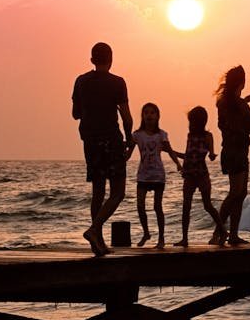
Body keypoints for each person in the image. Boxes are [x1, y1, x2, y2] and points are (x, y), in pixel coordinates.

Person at [71, 42, 132, 256]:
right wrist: (130, 141)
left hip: (90, 141)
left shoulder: (80, 81)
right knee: (118, 192)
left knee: (98, 191)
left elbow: (75, 114)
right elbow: (126, 117)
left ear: (91, 60)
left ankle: (98, 242)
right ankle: (95, 229)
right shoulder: (117, 83)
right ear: (111, 58)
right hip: (111, 140)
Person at [214, 65, 250, 245]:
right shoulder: (239, 105)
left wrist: (245, 101)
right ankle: (219, 233)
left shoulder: (223, 102)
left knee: (241, 193)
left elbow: (229, 119)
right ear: (242, 82)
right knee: (236, 193)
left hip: (228, 151)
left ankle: (231, 235)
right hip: (238, 152)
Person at [128, 103, 182, 248]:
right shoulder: (137, 135)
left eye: (152, 113)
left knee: (157, 207)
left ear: (158, 116)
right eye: (146, 113)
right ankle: (146, 233)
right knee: (140, 205)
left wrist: (178, 164)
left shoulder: (161, 135)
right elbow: (127, 154)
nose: (149, 115)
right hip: (143, 175)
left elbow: (170, 151)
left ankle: (161, 238)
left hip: (158, 175)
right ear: (142, 116)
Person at [173, 106, 227, 247]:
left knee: (207, 205)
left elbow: (211, 154)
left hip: (202, 175)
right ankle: (184, 238)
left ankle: (222, 231)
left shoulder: (208, 136)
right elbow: (188, 156)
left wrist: (212, 155)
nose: (191, 124)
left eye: (192, 121)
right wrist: (172, 152)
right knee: (186, 206)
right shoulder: (190, 136)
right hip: (189, 175)